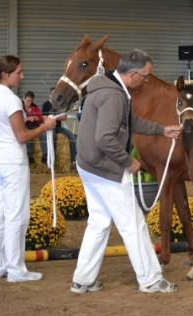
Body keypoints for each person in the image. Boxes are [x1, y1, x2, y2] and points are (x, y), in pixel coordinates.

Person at [71, 49, 181, 294]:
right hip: (106, 169)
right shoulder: (114, 96)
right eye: (145, 76)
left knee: (98, 223)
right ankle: (151, 279)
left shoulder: (109, 87)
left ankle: (83, 279)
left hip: (88, 165)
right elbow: (105, 138)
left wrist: (162, 130)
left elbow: (132, 122)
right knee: (134, 224)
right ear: (131, 74)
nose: (146, 81)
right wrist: (127, 162)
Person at [0, 55, 61, 283]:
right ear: (6, 75)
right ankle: (16, 270)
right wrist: (46, 126)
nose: (22, 76)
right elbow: (22, 136)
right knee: (17, 216)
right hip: (12, 162)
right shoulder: (12, 100)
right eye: (19, 73)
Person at [42, 87, 77, 170]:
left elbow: (64, 117)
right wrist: (57, 117)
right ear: (50, 95)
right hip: (50, 128)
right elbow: (44, 117)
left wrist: (54, 117)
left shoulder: (59, 105)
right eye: (53, 94)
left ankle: (74, 161)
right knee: (52, 138)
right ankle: (50, 160)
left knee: (72, 136)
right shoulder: (46, 104)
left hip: (58, 127)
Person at [22, 90, 47, 165]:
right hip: (24, 126)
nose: (29, 103)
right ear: (24, 99)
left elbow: (41, 118)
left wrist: (37, 118)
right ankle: (30, 156)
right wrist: (27, 118)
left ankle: (45, 155)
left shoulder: (35, 107)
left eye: (31, 101)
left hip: (34, 125)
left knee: (43, 135)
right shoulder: (19, 107)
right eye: (28, 101)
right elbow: (17, 119)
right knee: (29, 136)